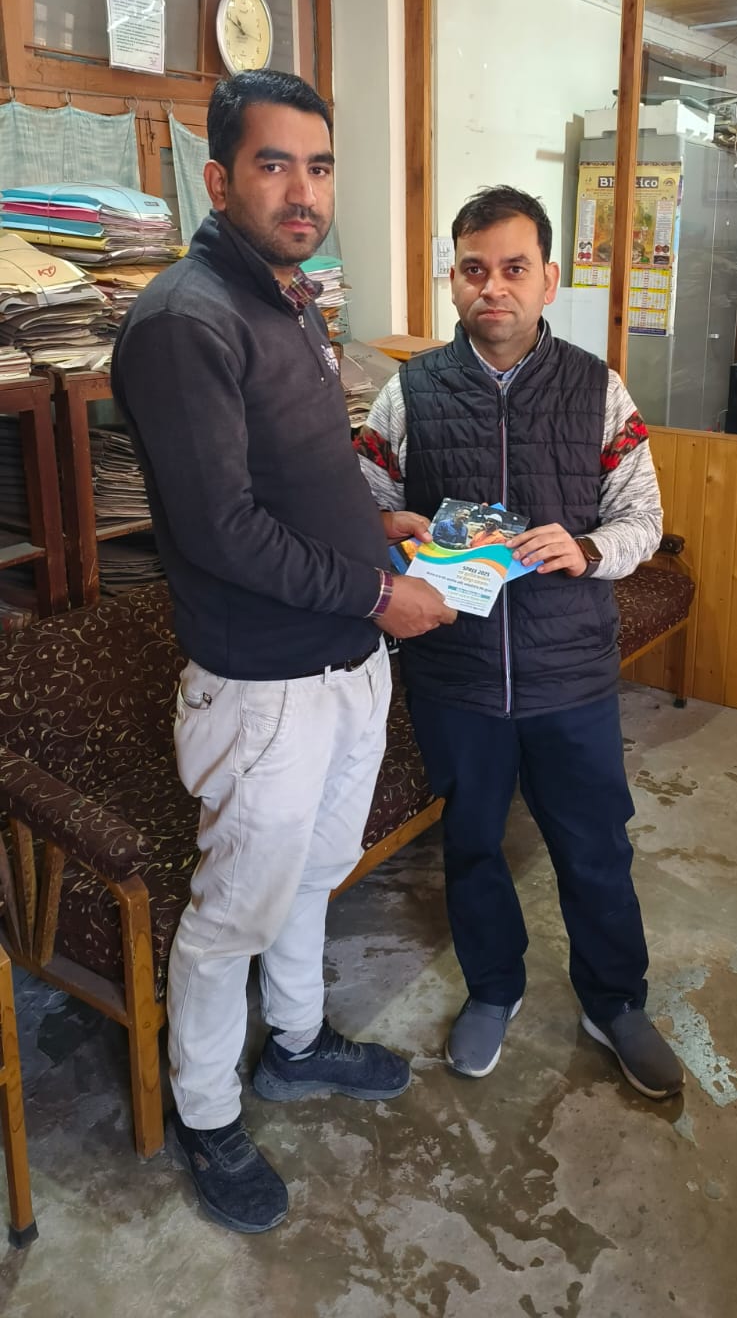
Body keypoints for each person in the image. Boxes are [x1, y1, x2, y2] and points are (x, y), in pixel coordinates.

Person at [111, 70, 453, 1235]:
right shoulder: (185, 321)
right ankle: (207, 1111)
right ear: (218, 179)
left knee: (314, 875)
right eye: (273, 165)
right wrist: (380, 591)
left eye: (318, 166)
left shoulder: (292, 294)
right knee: (232, 915)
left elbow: (301, 463)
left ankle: (297, 1043)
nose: (302, 191)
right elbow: (223, 528)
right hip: (264, 687)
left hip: (346, 662)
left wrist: (379, 521)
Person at [356, 185, 683, 1099]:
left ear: (547, 279)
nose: (491, 287)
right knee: (471, 845)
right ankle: (493, 989)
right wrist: (393, 530)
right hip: (455, 675)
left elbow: (643, 517)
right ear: (453, 280)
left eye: (512, 268)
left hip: (568, 672)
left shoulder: (596, 388)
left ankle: (614, 1002)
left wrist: (587, 549)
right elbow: (363, 500)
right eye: (473, 270)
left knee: (596, 848)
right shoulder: (410, 390)